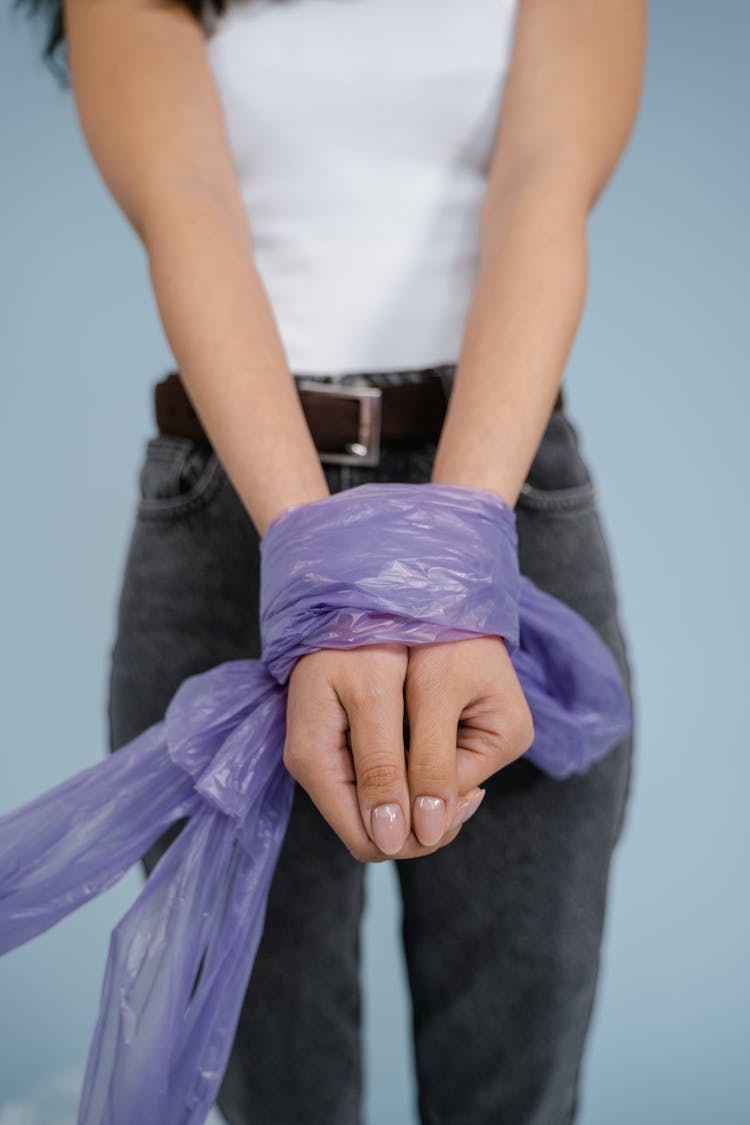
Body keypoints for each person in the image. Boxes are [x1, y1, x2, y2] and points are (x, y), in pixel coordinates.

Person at [17, 0, 646, 1120]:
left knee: (520, 1068)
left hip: (500, 494)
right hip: (241, 509)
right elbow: (188, 209)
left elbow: (545, 184)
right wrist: (322, 578)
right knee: (269, 1081)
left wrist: (451, 559)